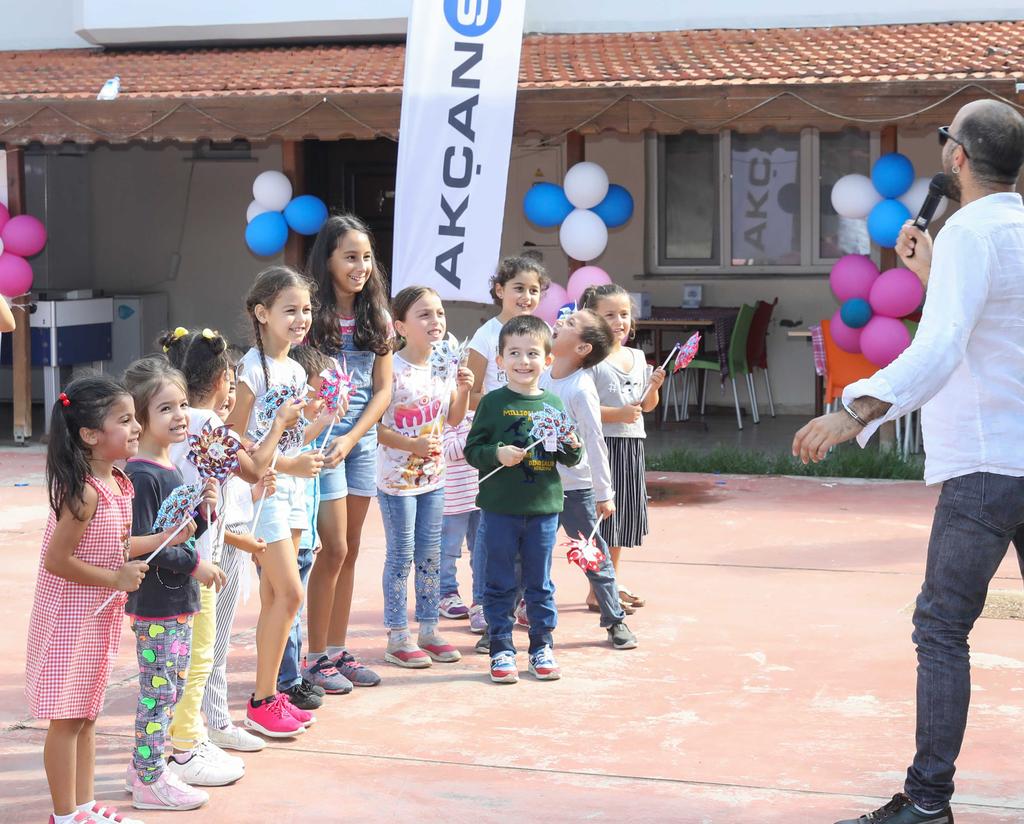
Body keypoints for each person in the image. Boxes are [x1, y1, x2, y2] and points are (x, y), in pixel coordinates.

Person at [791, 99, 1024, 824]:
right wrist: (930, 279)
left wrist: (854, 408)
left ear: (957, 158)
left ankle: (927, 803)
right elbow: (992, 333)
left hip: (987, 464)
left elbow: (943, 347)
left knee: (942, 628)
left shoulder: (970, 234)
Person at [162, 327, 298, 781]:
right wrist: (279, 423)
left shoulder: (177, 421)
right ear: (223, 377)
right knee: (202, 651)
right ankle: (191, 741)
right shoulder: (205, 423)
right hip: (201, 554)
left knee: (199, 650)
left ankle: (205, 728)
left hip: (190, 550)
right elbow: (255, 465)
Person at [26, 376, 149, 824]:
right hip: (68, 619)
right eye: (125, 419)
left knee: (86, 713)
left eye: (135, 417)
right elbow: (57, 560)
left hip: (97, 617)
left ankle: (82, 805)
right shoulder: (83, 490)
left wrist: (177, 528)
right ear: (90, 435)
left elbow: (117, 543)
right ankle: (64, 815)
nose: (137, 427)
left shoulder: (117, 482)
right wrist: (116, 577)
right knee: (65, 717)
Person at [225, 266, 330, 738]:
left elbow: (286, 440)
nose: (301, 318)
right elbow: (231, 442)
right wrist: (288, 463)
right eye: (290, 309)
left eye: (306, 309)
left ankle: (267, 696)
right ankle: (263, 698)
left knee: (276, 597)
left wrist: (320, 422)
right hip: (261, 492)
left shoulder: (293, 368)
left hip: (288, 490)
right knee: (290, 592)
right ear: (262, 313)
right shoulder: (249, 370)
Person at [122, 357, 224, 812]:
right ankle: (148, 777)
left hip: (175, 601)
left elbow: (180, 531)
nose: (180, 415)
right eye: (165, 408)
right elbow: (146, 546)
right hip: (156, 605)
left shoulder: (169, 468)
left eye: (182, 404)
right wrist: (196, 565)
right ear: (139, 419)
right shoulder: (143, 475)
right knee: (159, 691)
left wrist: (205, 511)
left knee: (171, 687)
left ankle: (146, 769)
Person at [465, 315, 582, 684]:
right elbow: (473, 450)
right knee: (499, 580)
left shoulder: (553, 404)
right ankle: (500, 647)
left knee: (540, 582)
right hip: (500, 508)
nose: (523, 361)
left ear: (547, 360)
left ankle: (541, 646)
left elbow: (569, 456)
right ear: (499, 360)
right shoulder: (493, 403)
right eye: (513, 353)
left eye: (532, 353)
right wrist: (497, 453)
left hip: (544, 509)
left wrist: (573, 447)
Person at [304, 214, 392, 691]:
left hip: (357, 443)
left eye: (366, 257)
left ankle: (336, 651)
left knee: (351, 549)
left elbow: (383, 390)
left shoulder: (375, 316)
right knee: (332, 548)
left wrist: (354, 436)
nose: (361, 267)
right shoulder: (308, 316)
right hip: (318, 444)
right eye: (350, 257)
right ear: (328, 260)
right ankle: (313, 655)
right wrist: (326, 433)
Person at [374, 286, 472, 667]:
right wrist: (409, 445)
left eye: (440, 313)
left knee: (431, 556)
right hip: (397, 483)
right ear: (400, 325)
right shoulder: (391, 370)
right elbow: (375, 427)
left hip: (434, 480)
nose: (436, 322)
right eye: (425, 314)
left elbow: (452, 417)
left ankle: (429, 629)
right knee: (401, 556)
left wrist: (462, 389)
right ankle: (398, 636)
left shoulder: (444, 364)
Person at [541, 309, 638, 650]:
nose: (558, 324)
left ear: (582, 349)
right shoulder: (539, 376)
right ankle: (507, 621)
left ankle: (614, 621)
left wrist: (604, 493)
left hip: (574, 488)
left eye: (569, 325)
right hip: (538, 485)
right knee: (527, 555)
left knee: (591, 555)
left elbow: (595, 442)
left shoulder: (581, 389)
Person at [201, 349, 275, 754]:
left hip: (229, 538)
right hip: (220, 545)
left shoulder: (215, 430)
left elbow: (242, 484)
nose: (232, 393)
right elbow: (253, 466)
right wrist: (280, 424)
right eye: (229, 383)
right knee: (208, 642)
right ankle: (206, 727)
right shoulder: (213, 432)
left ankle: (212, 723)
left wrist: (256, 492)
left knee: (215, 638)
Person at [580, 284, 666, 610]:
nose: (619, 321)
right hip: (603, 447)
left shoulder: (637, 356)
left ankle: (611, 580)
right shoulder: (590, 359)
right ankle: (597, 589)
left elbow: (646, 406)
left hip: (632, 445)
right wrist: (618, 413)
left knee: (624, 519)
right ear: (593, 318)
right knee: (602, 521)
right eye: (610, 314)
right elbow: (582, 408)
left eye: (625, 314)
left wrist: (654, 387)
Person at [278, 344, 351, 701]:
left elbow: (312, 491)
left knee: (295, 604)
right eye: (319, 394)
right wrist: (323, 420)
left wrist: (312, 534)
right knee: (287, 604)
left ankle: (291, 675)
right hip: (284, 532)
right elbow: (291, 451)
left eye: (329, 394)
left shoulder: (312, 433)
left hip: (303, 534)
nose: (324, 401)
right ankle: (287, 679)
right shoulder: (291, 431)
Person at [466, 254, 550, 409]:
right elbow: (469, 396)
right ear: (500, 290)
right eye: (519, 288)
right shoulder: (485, 335)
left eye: (533, 290)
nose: (526, 297)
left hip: (541, 423)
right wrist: (513, 407)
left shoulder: (547, 332)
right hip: (501, 426)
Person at [438, 411, 482, 628]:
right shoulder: (447, 417)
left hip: (480, 498)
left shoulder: (477, 415)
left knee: (481, 551)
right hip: (453, 501)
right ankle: (446, 593)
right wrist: (479, 434)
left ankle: (480, 600)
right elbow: (449, 450)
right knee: (447, 550)